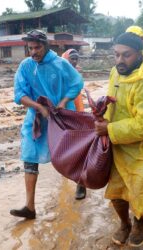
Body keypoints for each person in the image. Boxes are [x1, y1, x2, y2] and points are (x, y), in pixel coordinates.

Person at [94, 32, 143, 247]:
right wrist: (101, 112)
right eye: (116, 55)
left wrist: (109, 129)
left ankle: (140, 223)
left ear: (139, 54)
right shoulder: (115, 73)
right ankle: (124, 223)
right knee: (117, 192)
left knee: (141, 192)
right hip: (119, 144)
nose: (120, 60)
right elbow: (113, 101)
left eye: (126, 55)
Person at [11, 30, 83, 219]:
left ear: (46, 46)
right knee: (29, 155)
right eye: (30, 48)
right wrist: (38, 107)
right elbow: (19, 94)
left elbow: (76, 83)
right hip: (37, 118)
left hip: (61, 116)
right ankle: (30, 207)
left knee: (70, 152)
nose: (33, 52)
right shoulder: (25, 66)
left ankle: (81, 181)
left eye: (37, 47)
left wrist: (62, 102)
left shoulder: (61, 64)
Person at [62, 48, 86, 200]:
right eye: (72, 58)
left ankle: (81, 184)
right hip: (63, 114)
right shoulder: (59, 72)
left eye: (76, 58)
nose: (74, 61)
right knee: (65, 149)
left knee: (78, 150)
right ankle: (66, 179)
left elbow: (78, 95)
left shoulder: (76, 74)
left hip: (77, 113)